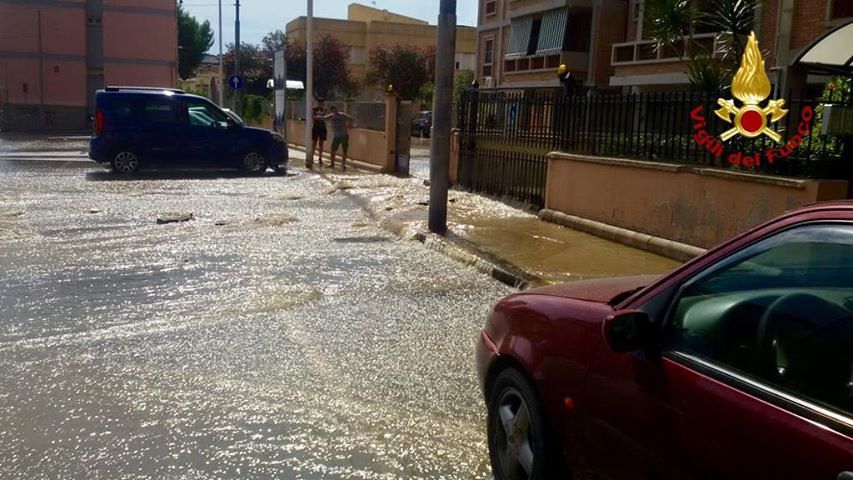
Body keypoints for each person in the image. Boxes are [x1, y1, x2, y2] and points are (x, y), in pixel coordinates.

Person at [324, 106, 354, 170]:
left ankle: (343, 164)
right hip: (336, 136)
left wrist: (349, 125)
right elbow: (324, 118)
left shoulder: (342, 115)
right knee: (333, 150)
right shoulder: (331, 116)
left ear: (336, 109)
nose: (334, 111)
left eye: (335, 109)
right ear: (331, 111)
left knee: (344, 150)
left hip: (344, 135)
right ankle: (332, 164)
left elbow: (351, 118)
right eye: (332, 110)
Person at [311, 98, 328, 167]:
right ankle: (311, 156)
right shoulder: (314, 109)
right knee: (314, 143)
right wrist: (321, 117)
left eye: (321, 103)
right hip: (316, 127)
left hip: (322, 127)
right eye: (319, 103)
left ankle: (320, 157)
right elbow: (313, 117)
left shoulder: (325, 110)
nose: (320, 104)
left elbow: (326, 117)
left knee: (321, 143)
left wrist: (319, 117)